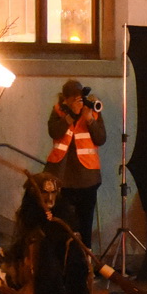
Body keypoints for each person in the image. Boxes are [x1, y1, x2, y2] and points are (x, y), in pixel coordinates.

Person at [44, 80, 105, 242]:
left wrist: (90, 119)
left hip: (88, 178)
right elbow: (54, 132)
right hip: (63, 179)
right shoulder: (59, 111)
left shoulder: (92, 110)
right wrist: (71, 115)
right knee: (63, 225)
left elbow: (100, 138)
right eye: (75, 98)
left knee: (85, 225)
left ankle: (85, 259)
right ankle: (64, 259)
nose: (79, 101)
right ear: (66, 99)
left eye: (80, 98)